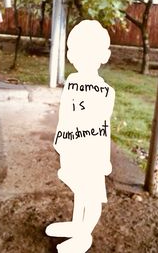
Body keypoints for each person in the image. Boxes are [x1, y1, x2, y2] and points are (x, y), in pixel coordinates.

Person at [46, 20, 115, 253]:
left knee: (91, 194)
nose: (81, 58)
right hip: (72, 147)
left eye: (90, 53)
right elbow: (65, 114)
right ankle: (76, 225)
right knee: (79, 189)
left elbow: (101, 126)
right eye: (76, 51)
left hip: (92, 152)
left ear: (103, 56)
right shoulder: (72, 83)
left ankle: (84, 235)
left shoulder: (106, 92)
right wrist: (60, 139)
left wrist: (103, 159)